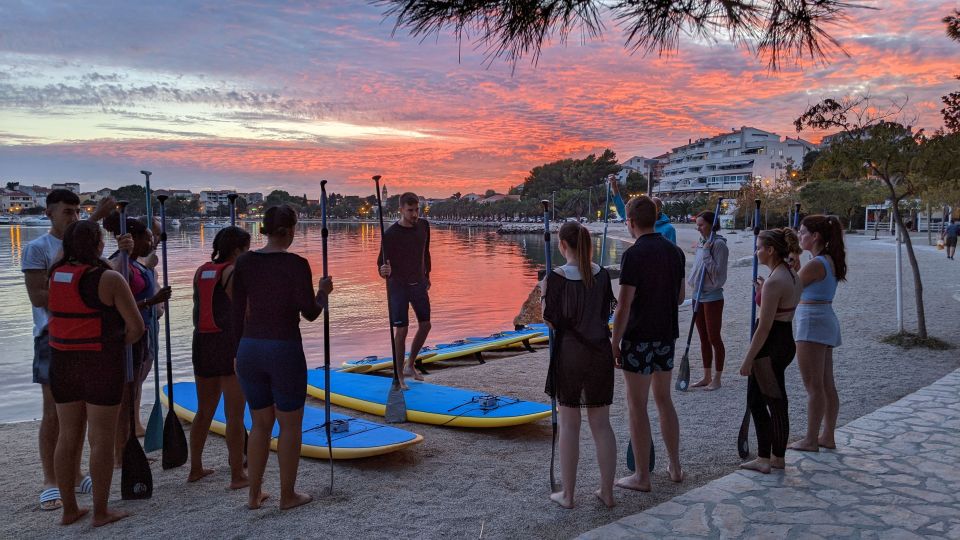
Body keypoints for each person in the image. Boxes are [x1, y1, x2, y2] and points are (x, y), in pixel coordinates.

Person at [232, 204, 332, 510]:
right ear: (289, 231)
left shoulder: (245, 262)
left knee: (260, 423)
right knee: (289, 425)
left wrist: (236, 351)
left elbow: (236, 312)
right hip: (283, 348)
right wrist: (323, 292)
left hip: (249, 347)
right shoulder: (297, 264)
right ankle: (287, 495)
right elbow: (310, 312)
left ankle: (254, 494)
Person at [21, 189, 115, 511]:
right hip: (51, 337)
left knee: (85, 414)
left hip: (87, 338)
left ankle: (75, 476)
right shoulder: (37, 249)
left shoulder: (84, 250)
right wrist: (83, 290)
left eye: (77, 212)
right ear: (49, 213)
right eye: (67, 212)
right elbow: (38, 296)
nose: (73, 217)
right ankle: (51, 481)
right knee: (54, 414)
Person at [47, 220, 145, 526]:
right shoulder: (109, 278)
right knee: (101, 438)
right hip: (99, 363)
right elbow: (136, 327)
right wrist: (113, 343)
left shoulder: (55, 274)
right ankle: (101, 511)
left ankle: (69, 510)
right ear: (98, 245)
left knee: (67, 435)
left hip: (62, 363)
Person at [611, 196, 685, 492]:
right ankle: (675, 466)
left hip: (639, 337)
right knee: (664, 400)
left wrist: (615, 341)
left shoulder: (634, 255)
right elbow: (680, 297)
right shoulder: (675, 252)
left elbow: (624, 305)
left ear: (630, 222)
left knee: (636, 405)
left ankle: (642, 476)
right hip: (666, 335)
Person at [541, 222, 617, 509]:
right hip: (600, 353)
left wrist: (544, 295)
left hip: (570, 354)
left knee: (570, 425)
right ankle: (607, 492)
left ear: (562, 246)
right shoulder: (602, 275)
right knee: (601, 424)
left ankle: (569, 495)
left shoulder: (556, 278)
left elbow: (552, 320)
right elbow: (605, 312)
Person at [103, 213, 171, 466]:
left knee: (133, 392)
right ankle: (121, 454)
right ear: (134, 240)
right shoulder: (119, 263)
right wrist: (151, 301)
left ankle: (130, 445)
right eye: (147, 239)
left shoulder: (136, 263)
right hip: (127, 337)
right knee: (125, 396)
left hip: (142, 333)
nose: (151, 243)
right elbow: (117, 302)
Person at [189, 226, 251, 487]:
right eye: (246, 249)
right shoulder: (232, 272)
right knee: (234, 414)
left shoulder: (201, 271)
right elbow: (246, 312)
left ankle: (195, 468)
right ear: (237, 250)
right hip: (227, 344)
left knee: (204, 411)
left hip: (202, 342)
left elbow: (197, 310)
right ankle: (237, 474)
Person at [737, 228, 803, 473]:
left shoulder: (776, 281)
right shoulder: (792, 274)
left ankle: (766, 457)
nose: (756, 252)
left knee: (759, 401)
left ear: (771, 250)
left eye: (759, 247)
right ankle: (777, 456)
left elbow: (763, 328)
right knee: (776, 400)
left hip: (771, 344)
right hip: (784, 338)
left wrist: (748, 359)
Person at [790, 215, 846, 452]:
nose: (800, 236)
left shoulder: (816, 264)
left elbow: (791, 289)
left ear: (815, 236)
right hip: (824, 318)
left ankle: (811, 438)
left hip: (812, 322)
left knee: (813, 385)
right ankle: (827, 435)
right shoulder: (828, 260)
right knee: (826, 384)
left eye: (803, 232)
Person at [377, 192, 431, 387]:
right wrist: (384, 270)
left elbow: (426, 253)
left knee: (425, 325)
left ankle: (410, 365)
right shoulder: (390, 235)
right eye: (410, 210)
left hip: (418, 283)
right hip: (398, 286)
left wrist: (427, 276)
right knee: (402, 329)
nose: (415, 214)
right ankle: (398, 375)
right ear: (401, 210)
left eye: (417, 209)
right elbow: (381, 265)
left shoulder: (424, 226)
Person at [689, 210, 729, 390]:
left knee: (714, 337)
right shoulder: (703, 242)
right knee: (703, 338)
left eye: (701, 224)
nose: (698, 228)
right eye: (697, 225)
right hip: (697, 295)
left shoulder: (719, 245)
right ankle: (706, 376)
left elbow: (718, 274)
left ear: (712, 225)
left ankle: (717, 378)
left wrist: (706, 253)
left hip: (712, 296)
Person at [609, 178, 676, 243]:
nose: (650, 208)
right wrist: (614, 186)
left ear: (659, 209)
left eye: (654, 207)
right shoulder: (639, 219)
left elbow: (672, 251)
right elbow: (622, 209)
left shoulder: (669, 229)